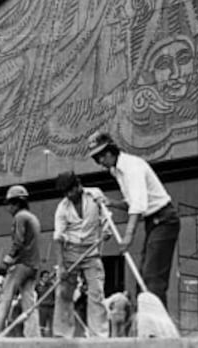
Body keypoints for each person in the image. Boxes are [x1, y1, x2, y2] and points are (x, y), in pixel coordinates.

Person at [87, 132, 180, 307]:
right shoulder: (117, 171)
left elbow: (138, 205)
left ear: (110, 152)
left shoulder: (132, 167)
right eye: (96, 159)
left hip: (164, 220)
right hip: (152, 222)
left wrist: (128, 236)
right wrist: (111, 202)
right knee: (143, 279)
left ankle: (157, 322)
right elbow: (131, 203)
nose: (100, 162)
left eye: (101, 156)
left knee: (153, 280)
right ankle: (147, 318)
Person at [52, 171, 109, 338]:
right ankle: (62, 334)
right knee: (64, 293)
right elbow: (58, 238)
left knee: (96, 292)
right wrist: (61, 266)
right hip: (70, 251)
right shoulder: (62, 208)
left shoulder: (95, 195)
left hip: (92, 250)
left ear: (78, 185)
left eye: (71, 190)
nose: (69, 195)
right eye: (66, 192)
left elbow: (106, 217)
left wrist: (106, 231)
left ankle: (99, 335)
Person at [0, 185, 41, 337]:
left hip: (21, 264)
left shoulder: (20, 217)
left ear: (16, 203)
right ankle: (34, 336)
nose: (8, 208)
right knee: (29, 302)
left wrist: (6, 262)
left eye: (9, 204)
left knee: (5, 297)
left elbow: (18, 242)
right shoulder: (33, 218)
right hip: (33, 265)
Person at [35, 269, 55, 336]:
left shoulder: (52, 285)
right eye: (45, 277)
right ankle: (41, 337)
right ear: (41, 278)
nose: (47, 278)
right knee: (41, 325)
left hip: (51, 307)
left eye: (48, 277)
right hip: (42, 307)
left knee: (52, 325)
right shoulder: (37, 286)